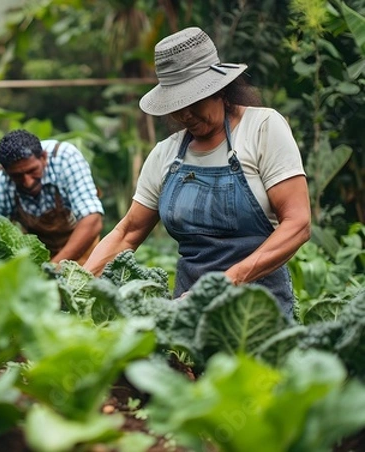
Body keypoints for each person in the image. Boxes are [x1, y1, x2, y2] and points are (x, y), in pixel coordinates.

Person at [83, 27, 311, 318]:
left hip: (259, 316)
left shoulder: (263, 128)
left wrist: (223, 285)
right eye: (177, 106)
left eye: (193, 102)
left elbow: (298, 223)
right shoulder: (166, 153)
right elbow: (127, 232)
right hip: (187, 316)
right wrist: (79, 283)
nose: (185, 114)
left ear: (220, 90)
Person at [0, 129, 104, 264]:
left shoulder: (65, 158)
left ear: (43, 157)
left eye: (32, 171)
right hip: (41, 258)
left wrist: (54, 268)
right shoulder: (1, 186)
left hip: (83, 249)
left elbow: (92, 221)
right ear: (4, 170)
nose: (28, 182)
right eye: (17, 176)